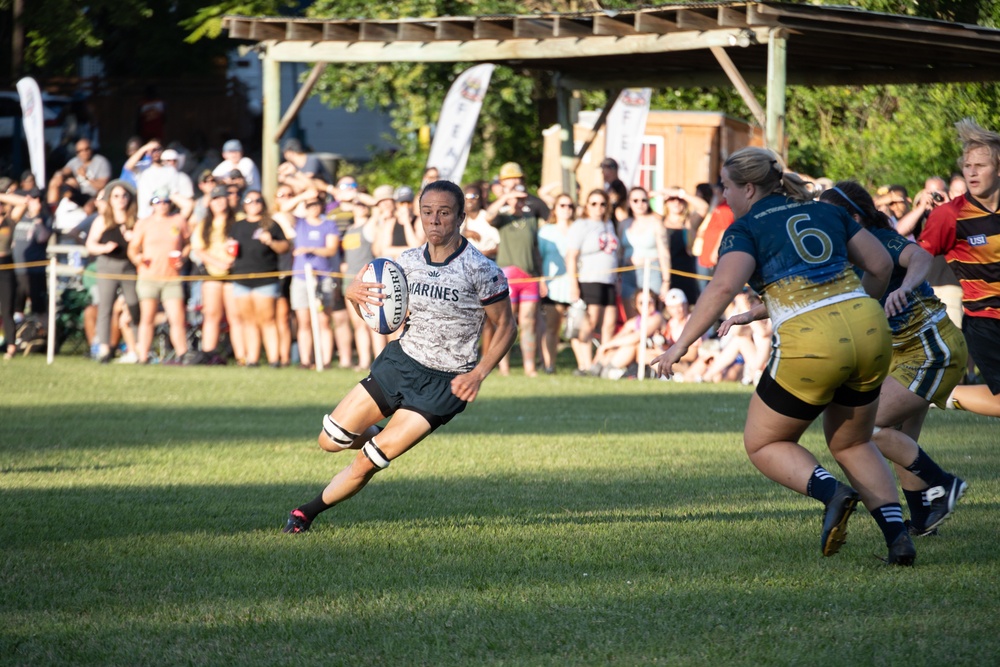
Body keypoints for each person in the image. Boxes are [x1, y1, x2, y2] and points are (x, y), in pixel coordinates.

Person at [653, 146, 915, 565]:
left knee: (764, 442)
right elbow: (882, 264)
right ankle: (898, 538)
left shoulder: (745, 228)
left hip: (812, 341)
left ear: (750, 188)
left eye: (727, 188)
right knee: (852, 441)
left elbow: (722, 289)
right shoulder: (826, 211)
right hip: (870, 329)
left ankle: (833, 493)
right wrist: (856, 307)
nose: (724, 197)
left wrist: (680, 345)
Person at [282, 180, 516, 534]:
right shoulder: (403, 263)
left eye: (444, 212)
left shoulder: (481, 269)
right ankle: (374, 431)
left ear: (460, 217)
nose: (434, 220)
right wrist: (353, 296)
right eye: (427, 212)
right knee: (330, 441)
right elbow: (380, 319)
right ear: (419, 214)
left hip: (444, 385)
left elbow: (507, 327)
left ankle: (305, 513)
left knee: (368, 461)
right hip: (400, 364)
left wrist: (479, 372)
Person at [816, 181, 969, 535]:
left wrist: (904, 287)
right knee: (901, 439)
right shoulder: (846, 253)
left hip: (931, 350)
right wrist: (754, 313)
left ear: (854, 217)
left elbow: (920, 256)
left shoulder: (879, 240)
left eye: (832, 218)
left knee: (869, 427)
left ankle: (943, 484)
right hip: (904, 354)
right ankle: (922, 521)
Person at [919, 118, 1000, 417]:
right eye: (968, 166)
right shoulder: (949, 216)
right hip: (985, 321)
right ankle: (941, 393)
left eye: (980, 165)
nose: (972, 172)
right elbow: (917, 258)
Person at [486, 161, 550, 377]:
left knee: (529, 322)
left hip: (530, 275)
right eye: (509, 181)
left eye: (517, 180)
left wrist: (541, 278)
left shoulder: (531, 215)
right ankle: (503, 367)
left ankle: (529, 367)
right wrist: (506, 198)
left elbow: (537, 246)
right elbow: (488, 216)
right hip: (508, 276)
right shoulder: (502, 216)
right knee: (506, 322)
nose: (514, 184)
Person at [127, 187, 191, 364]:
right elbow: (133, 249)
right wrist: (139, 259)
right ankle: (143, 355)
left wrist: (183, 257)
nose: (162, 205)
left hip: (171, 278)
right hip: (149, 277)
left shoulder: (178, 221)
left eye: (165, 201)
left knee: (177, 318)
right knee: (147, 317)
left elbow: (187, 243)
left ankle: (182, 354)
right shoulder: (144, 223)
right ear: (152, 204)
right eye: (158, 201)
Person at [229, 190, 289, 367]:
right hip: (241, 278)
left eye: (257, 200)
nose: (253, 203)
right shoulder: (237, 226)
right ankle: (252, 360)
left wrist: (271, 241)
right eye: (249, 200)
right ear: (244, 204)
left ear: (262, 203)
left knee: (268, 320)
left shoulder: (271, 224)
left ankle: (273, 360)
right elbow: (231, 248)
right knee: (248, 321)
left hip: (265, 279)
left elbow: (284, 247)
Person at [85, 181, 140, 363]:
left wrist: (133, 240)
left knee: (133, 305)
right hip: (107, 266)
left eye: (124, 196)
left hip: (129, 267)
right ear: (110, 199)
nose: (120, 200)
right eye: (116, 196)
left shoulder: (135, 220)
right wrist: (104, 248)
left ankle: (136, 347)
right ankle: (104, 348)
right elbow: (90, 245)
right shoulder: (103, 220)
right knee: (105, 307)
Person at [566, 189, 619, 376]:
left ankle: (600, 363)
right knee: (590, 323)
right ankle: (585, 365)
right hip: (590, 279)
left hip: (609, 280)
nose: (598, 208)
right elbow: (571, 256)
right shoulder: (581, 225)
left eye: (602, 204)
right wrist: (573, 283)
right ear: (587, 205)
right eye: (594, 203)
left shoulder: (609, 225)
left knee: (610, 323)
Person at [291, 191, 344, 369]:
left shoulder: (329, 225)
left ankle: (326, 361)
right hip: (301, 278)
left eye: (315, 204)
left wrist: (310, 249)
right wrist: (303, 194)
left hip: (323, 277)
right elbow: (282, 210)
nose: (312, 208)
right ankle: (305, 360)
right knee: (303, 321)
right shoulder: (299, 224)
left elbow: (331, 249)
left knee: (323, 320)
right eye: (308, 205)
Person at [190, 185, 243, 365]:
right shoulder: (205, 224)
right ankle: (208, 353)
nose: (219, 202)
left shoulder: (237, 220)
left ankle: (242, 356)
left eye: (222, 198)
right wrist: (218, 262)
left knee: (235, 316)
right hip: (212, 273)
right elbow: (199, 249)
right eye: (215, 199)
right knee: (212, 314)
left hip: (233, 274)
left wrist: (231, 261)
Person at [537, 192, 575, 374]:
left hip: (575, 284)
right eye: (562, 205)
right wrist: (542, 280)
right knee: (552, 327)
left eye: (570, 206)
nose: (566, 209)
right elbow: (539, 258)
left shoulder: (578, 229)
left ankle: (584, 365)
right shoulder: (546, 231)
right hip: (553, 285)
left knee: (579, 327)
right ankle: (549, 364)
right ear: (555, 209)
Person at [618, 186, 671, 318]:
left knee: (652, 315)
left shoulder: (656, 223)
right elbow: (619, 252)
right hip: (628, 272)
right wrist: (617, 277)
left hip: (651, 271)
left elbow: (664, 253)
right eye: (635, 200)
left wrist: (666, 281)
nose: (640, 204)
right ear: (629, 203)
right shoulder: (624, 224)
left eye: (643, 200)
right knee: (632, 318)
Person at [591, 289, 664, 379]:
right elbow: (618, 338)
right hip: (638, 357)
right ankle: (598, 367)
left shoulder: (657, 317)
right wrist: (606, 347)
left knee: (631, 345)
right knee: (614, 347)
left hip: (655, 354)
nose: (647, 305)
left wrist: (606, 345)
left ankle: (606, 370)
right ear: (636, 305)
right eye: (642, 303)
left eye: (650, 301)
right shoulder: (634, 322)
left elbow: (637, 336)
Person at [0, 190, 27, 358]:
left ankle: (11, 345)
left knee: (7, 308)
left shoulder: (10, 221)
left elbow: (23, 202)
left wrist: (1, 195)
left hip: (6, 265)